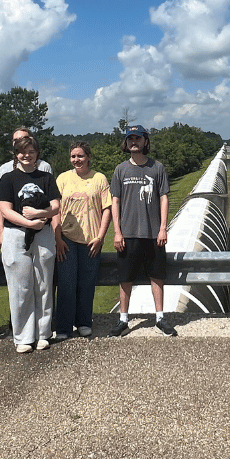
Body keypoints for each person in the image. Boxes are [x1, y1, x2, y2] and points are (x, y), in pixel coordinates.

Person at [109, 125, 177, 337]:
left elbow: (164, 197)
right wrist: (117, 232)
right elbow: (115, 201)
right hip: (128, 234)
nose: (133, 142)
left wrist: (163, 228)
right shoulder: (121, 170)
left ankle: (160, 318)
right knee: (125, 278)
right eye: (130, 139)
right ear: (126, 143)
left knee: (157, 276)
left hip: (153, 233)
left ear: (146, 142)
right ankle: (123, 320)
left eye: (138, 138)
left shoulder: (157, 168)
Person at [0, 135, 60, 353]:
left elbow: (55, 206)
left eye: (31, 151)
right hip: (16, 234)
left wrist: (39, 215)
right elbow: (5, 209)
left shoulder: (46, 177)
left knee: (43, 285)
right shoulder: (8, 178)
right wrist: (28, 223)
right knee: (20, 287)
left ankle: (43, 333)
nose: (27, 155)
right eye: (22, 152)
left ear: (37, 154)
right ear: (16, 154)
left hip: (43, 234)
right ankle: (23, 336)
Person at [54, 141, 111, 339]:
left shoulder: (99, 179)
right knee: (66, 283)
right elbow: (55, 210)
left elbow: (107, 209)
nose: (76, 160)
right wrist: (57, 238)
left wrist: (101, 237)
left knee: (87, 283)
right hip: (66, 238)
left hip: (91, 239)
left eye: (80, 156)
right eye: (73, 156)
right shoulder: (63, 179)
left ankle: (84, 322)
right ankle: (63, 327)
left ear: (88, 157)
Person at [0, 127, 53, 243]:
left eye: (24, 138)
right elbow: (0, 204)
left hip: (41, 228)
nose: (19, 141)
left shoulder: (45, 168)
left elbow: (52, 202)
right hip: (15, 230)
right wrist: (1, 232)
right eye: (16, 139)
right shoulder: (5, 170)